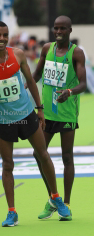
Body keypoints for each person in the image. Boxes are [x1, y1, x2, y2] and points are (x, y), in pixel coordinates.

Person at [0, 21, 71, 226]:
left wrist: (39, 109)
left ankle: (56, 197)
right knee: (7, 165)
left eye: (5, 35)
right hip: (3, 120)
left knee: (43, 155)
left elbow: (30, 81)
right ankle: (12, 212)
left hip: (27, 114)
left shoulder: (18, 54)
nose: (2, 39)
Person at [32, 15, 86, 221]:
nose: (58, 32)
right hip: (47, 112)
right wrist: (25, 84)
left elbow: (83, 83)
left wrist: (70, 92)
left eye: (63, 28)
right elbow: (36, 74)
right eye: (56, 28)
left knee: (67, 157)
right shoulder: (47, 49)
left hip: (66, 113)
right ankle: (54, 198)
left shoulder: (76, 53)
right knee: (39, 154)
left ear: (70, 30)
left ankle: (68, 204)